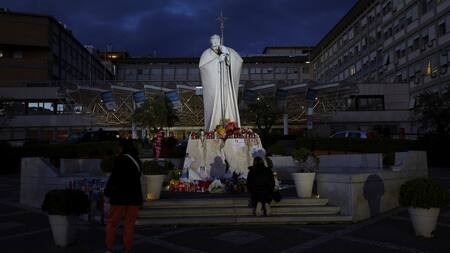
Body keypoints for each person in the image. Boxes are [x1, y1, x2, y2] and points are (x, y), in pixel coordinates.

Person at [104, 139, 143, 253]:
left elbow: (114, 178)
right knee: (129, 225)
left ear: (122, 147)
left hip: (119, 197)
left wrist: (107, 192)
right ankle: (128, 248)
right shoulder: (137, 160)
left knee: (112, 223)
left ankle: (109, 248)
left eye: (119, 147)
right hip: (134, 197)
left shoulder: (119, 159)